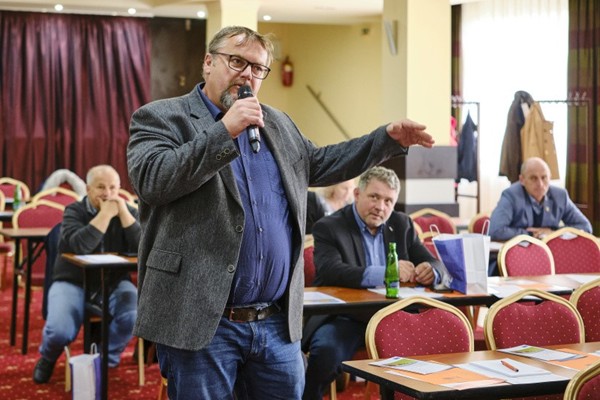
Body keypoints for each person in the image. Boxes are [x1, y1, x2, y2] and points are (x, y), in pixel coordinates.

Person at [126, 25, 435, 400]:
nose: (247, 74)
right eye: (237, 61)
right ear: (208, 62)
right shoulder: (161, 117)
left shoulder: (277, 124)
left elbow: (322, 163)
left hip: (274, 323)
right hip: (200, 319)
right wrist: (225, 131)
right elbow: (153, 180)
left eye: (258, 68)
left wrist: (384, 140)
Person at [302, 166, 443, 399]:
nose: (380, 207)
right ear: (357, 194)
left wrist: (432, 271)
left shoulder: (402, 224)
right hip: (347, 317)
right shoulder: (330, 226)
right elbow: (330, 271)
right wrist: (388, 273)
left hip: (395, 315)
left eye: (388, 201)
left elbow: (434, 262)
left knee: (442, 344)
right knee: (325, 353)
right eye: (374, 197)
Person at [33, 165, 140, 384]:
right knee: (59, 330)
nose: (108, 193)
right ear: (88, 189)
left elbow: (142, 248)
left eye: (113, 187)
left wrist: (124, 214)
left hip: (114, 280)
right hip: (72, 280)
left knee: (133, 315)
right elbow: (80, 246)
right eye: (101, 187)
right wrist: (105, 215)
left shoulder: (127, 210)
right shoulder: (73, 211)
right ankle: (48, 357)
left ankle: (104, 359)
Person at [489, 157, 592, 241]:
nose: (540, 184)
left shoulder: (560, 196)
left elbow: (585, 227)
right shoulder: (511, 195)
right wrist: (530, 234)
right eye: (533, 178)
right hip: (519, 254)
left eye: (544, 177)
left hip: (550, 253)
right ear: (522, 180)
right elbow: (495, 230)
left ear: (550, 178)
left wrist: (553, 232)